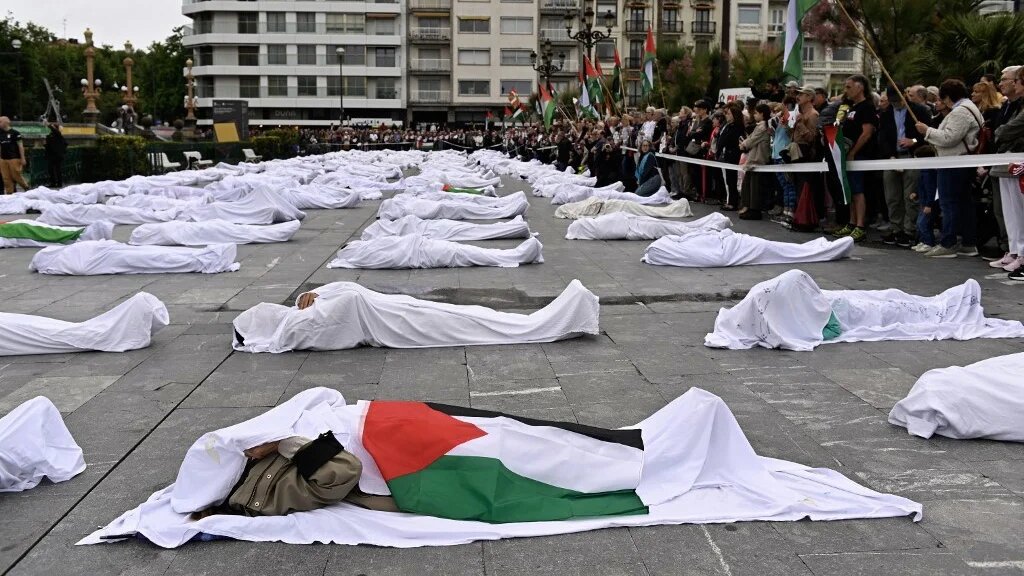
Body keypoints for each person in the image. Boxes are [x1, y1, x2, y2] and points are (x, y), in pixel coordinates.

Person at [915, 79, 982, 258]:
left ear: (947, 97)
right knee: (963, 202)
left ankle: (949, 243)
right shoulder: (966, 108)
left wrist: (927, 131)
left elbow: (949, 138)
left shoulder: (960, 112)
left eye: (941, 98)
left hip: (954, 163)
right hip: (959, 162)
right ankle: (968, 242)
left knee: (949, 202)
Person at [879, 84, 930, 247]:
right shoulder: (886, 113)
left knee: (910, 196)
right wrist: (890, 156)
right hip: (893, 157)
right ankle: (896, 229)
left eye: (897, 100)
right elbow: (882, 137)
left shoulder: (919, 112)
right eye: (892, 101)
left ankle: (910, 230)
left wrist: (912, 141)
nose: (895, 103)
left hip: (912, 157)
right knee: (892, 196)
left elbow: (927, 135)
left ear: (905, 95)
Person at [831, 75, 878, 243]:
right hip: (847, 154)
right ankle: (851, 223)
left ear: (860, 88)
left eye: (849, 87)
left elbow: (867, 133)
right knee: (850, 190)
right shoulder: (851, 108)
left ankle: (860, 225)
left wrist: (854, 151)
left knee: (858, 191)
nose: (846, 90)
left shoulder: (867, 107)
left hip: (860, 155)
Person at [990, 64, 1024, 279]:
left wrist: (1001, 133)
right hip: (1007, 158)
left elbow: (1006, 130)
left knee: (1018, 209)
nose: (1002, 83)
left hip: (1018, 158)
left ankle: (1021, 252)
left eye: (1012, 80)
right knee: (1010, 211)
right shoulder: (1010, 105)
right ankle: (1015, 250)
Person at [737, 103, 772, 220]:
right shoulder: (761, 126)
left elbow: (751, 140)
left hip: (758, 159)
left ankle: (755, 210)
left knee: (755, 188)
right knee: (749, 185)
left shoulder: (762, 127)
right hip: (754, 160)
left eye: (756, 113)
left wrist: (743, 145)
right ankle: (749, 208)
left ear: (762, 114)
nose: (754, 115)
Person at [716, 101, 744, 211]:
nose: (726, 115)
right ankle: (731, 201)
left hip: (734, 155)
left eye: (729, 114)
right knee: (729, 180)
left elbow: (730, 139)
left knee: (733, 180)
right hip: (727, 154)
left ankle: (733, 202)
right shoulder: (728, 126)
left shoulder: (737, 127)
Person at [0, 116, 29, 194]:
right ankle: (10, 193)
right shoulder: (1, 133)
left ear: (6, 122)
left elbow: (20, 146)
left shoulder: (15, 133)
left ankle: (26, 187)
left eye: (0, 122)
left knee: (16, 176)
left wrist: (23, 158)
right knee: (6, 178)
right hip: (3, 159)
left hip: (14, 158)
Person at [44, 123, 68, 189]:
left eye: (53, 127)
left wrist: (49, 125)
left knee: (58, 169)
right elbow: (48, 145)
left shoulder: (58, 134)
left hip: (57, 155)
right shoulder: (50, 135)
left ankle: (59, 183)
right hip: (51, 155)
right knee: (50, 170)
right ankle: (53, 183)